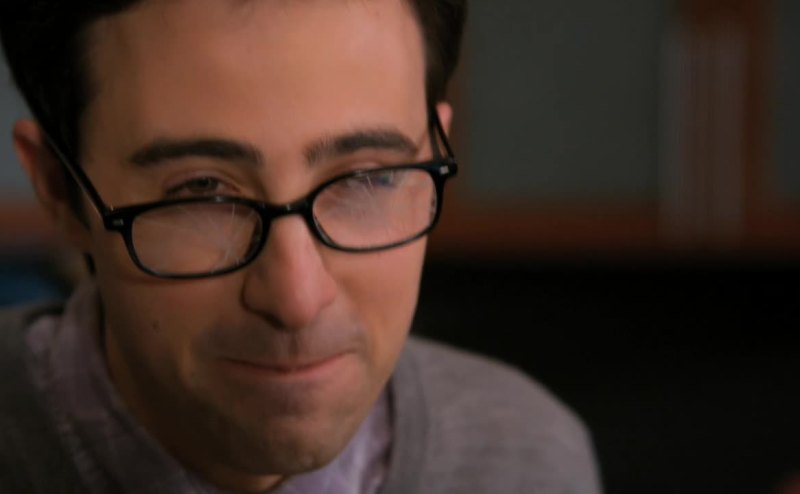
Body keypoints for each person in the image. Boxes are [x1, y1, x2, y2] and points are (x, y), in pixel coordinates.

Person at [0, 0, 602, 492]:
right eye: (202, 191)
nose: (296, 299)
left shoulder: (526, 459)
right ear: (57, 188)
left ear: (434, 150)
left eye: (366, 178)